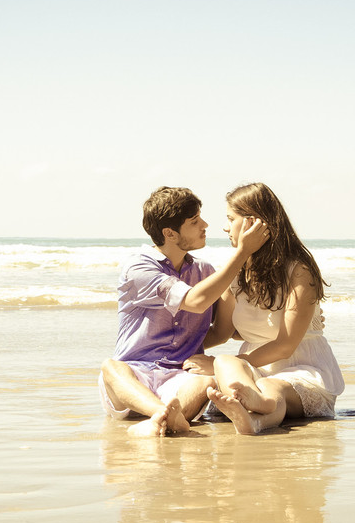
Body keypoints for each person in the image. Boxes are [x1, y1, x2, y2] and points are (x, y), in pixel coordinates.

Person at [100, 186, 268, 437]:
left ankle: (159, 420)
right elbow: (195, 301)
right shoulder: (139, 268)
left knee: (208, 381)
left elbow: (222, 331)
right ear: (170, 233)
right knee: (111, 368)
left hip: (182, 379)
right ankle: (162, 414)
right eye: (194, 221)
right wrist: (242, 252)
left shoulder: (205, 272)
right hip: (135, 377)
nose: (205, 225)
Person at [191, 183, 344, 435]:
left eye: (231, 218)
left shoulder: (299, 270)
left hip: (303, 368)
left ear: (253, 223)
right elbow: (221, 333)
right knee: (226, 362)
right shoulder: (236, 273)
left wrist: (229, 365)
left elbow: (285, 345)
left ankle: (256, 407)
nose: (225, 227)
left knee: (273, 388)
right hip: (255, 367)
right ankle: (252, 419)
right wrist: (173, 349)